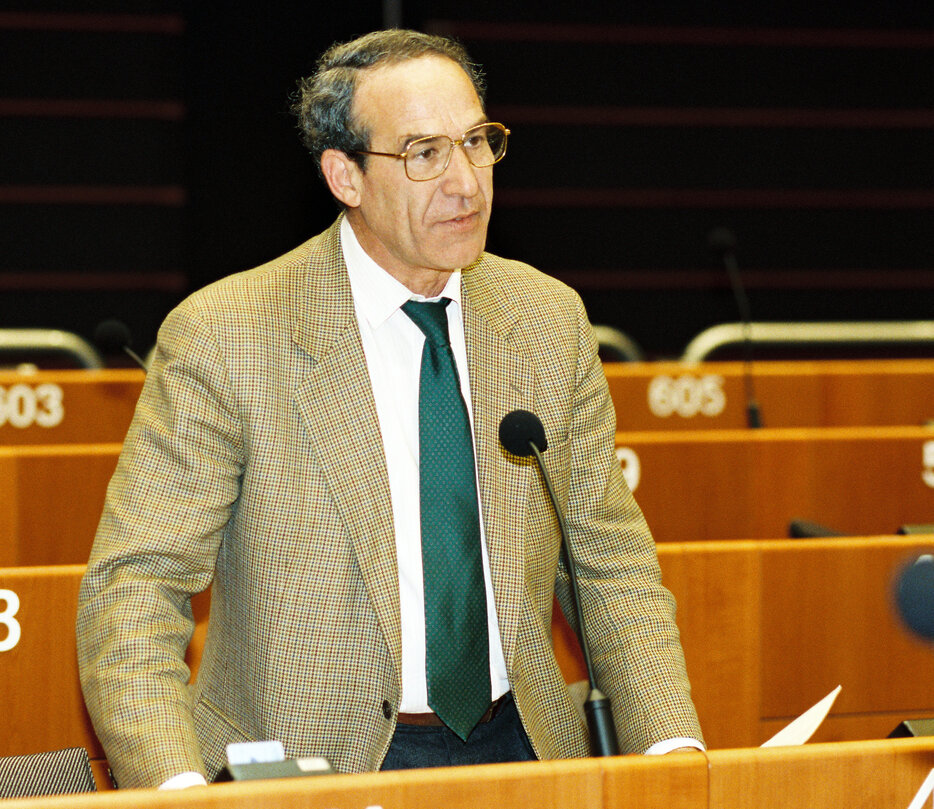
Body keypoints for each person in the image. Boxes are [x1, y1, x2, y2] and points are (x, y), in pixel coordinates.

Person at [76, 29, 703, 790]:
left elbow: (608, 560)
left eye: (477, 141)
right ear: (344, 175)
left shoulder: (546, 317)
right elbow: (135, 587)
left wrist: (673, 754)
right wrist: (178, 791)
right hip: (312, 767)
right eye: (424, 153)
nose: (467, 183)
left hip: (527, 747)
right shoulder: (228, 334)